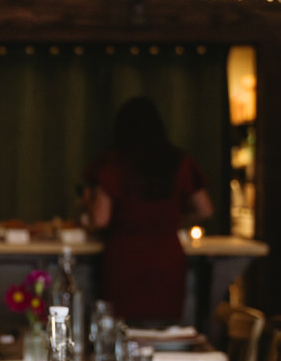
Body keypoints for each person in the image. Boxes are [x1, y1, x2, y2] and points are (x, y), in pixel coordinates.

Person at [84, 97, 213, 323]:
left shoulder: (114, 164)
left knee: (122, 330)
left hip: (125, 260)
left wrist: (88, 208)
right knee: (165, 331)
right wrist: (174, 219)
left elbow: (101, 219)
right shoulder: (179, 161)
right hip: (167, 258)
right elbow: (205, 210)